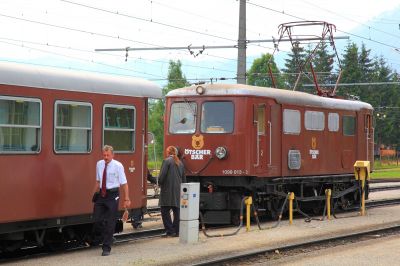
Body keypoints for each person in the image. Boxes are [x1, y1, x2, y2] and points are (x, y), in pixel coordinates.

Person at [92, 145, 131, 256]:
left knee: (110, 221)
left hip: (113, 195)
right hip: (101, 194)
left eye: (108, 155)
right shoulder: (99, 164)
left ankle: (106, 247)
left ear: (112, 155)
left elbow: (124, 183)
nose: (106, 157)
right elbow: (98, 181)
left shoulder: (118, 166)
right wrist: (94, 193)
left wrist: (126, 198)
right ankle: (108, 235)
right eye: (104, 155)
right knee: (97, 220)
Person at [158, 146, 186, 237]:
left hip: (167, 190)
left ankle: (170, 231)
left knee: (164, 210)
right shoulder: (180, 163)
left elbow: (162, 176)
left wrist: (159, 183)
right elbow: (183, 178)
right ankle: (177, 231)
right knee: (177, 211)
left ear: (168, 152)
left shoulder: (167, 161)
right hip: (178, 190)